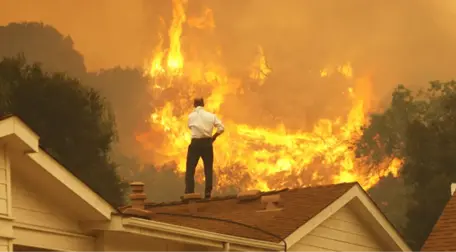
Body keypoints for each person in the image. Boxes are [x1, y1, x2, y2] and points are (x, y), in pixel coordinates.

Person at [185, 98, 225, 199]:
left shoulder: (191, 116)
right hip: (207, 143)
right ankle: (207, 193)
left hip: (195, 144)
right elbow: (221, 128)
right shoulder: (211, 116)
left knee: (190, 169)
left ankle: (190, 193)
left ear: (194, 105)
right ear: (203, 104)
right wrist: (214, 136)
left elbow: (190, 127)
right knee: (208, 169)